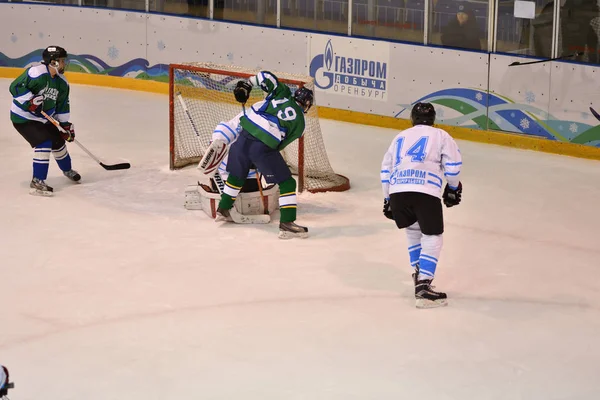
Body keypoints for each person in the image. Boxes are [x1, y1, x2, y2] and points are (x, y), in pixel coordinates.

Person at [380, 102, 462, 308]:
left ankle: (419, 275)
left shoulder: (400, 137)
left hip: (398, 190)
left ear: (412, 118)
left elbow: (386, 169)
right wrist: (452, 188)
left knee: (413, 231)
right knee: (433, 235)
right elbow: (452, 167)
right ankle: (424, 286)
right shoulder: (441, 136)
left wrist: (388, 198)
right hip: (425, 191)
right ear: (433, 119)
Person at [216, 71, 314, 239]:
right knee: (287, 183)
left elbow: (266, 76)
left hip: (242, 138)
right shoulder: (301, 124)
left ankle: (223, 209)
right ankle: (287, 224)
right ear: (306, 104)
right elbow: (280, 144)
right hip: (262, 146)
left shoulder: (282, 93)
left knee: (237, 176)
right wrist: (261, 158)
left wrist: (247, 84)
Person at [9, 45, 79, 196]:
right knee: (43, 143)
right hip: (23, 117)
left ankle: (67, 170)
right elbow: (15, 87)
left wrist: (65, 126)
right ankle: (37, 182)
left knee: (58, 142)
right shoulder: (36, 73)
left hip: (44, 118)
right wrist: (29, 101)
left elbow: (62, 105)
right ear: (53, 62)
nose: (64, 64)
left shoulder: (62, 83)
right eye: (61, 61)